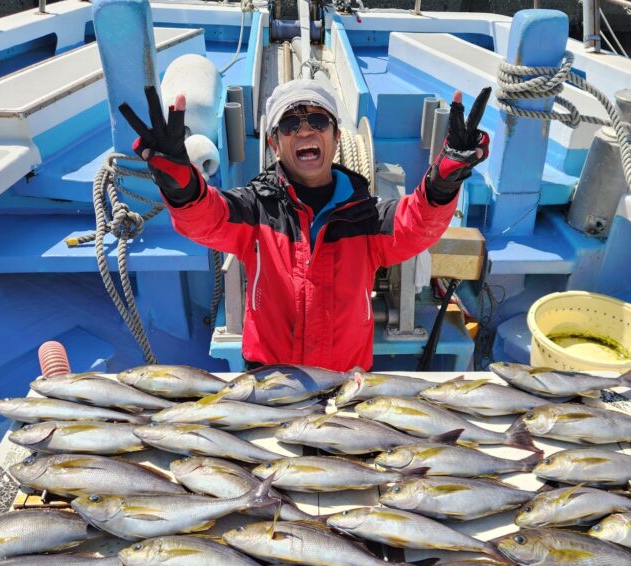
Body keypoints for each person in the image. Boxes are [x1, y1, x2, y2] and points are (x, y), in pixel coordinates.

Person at [119, 79, 490, 371]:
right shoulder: (254, 210)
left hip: (345, 385)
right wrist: (180, 183)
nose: (305, 130)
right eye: (290, 123)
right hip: (269, 381)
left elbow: (417, 225)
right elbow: (205, 219)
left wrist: (444, 179)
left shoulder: (368, 216)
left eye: (318, 120)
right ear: (275, 143)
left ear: (335, 136)